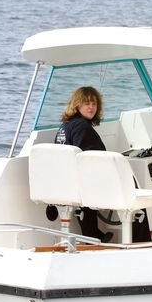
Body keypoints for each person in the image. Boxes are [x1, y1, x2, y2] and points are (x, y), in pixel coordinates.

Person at [54, 86, 107, 240]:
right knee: (131, 183)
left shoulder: (65, 126)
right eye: (87, 103)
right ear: (77, 105)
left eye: (94, 104)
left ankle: (93, 235)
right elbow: (89, 159)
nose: (91, 107)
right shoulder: (81, 127)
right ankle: (141, 238)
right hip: (82, 184)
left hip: (66, 181)